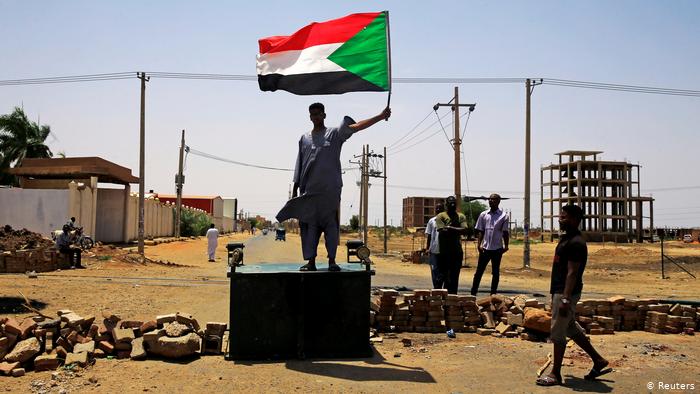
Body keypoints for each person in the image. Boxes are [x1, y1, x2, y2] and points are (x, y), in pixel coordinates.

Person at [277, 102, 391, 272]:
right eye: (312, 114)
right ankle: (311, 262)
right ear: (310, 117)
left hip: (330, 193)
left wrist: (380, 116)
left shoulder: (334, 134)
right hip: (309, 193)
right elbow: (299, 165)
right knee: (309, 227)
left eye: (318, 113)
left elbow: (357, 126)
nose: (315, 117)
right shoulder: (304, 138)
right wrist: (295, 190)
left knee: (331, 226)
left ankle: (332, 261)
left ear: (324, 115)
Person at [536, 204, 610, 387]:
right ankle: (598, 360)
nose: (560, 219)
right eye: (560, 216)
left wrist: (565, 298)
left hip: (565, 292)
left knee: (558, 332)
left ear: (575, 219)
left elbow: (572, 272)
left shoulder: (576, 242)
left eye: (564, 217)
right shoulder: (567, 238)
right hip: (561, 290)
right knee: (570, 328)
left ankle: (555, 374)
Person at [470, 193, 509, 296]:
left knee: (495, 273)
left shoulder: (504, 216)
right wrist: (479, 244)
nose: (490, 201)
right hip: (485, 248)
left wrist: (506, 246)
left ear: (498, 201)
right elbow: (481, 231)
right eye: (489, 199)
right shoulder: (483, 215)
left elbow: (505, 232)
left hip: (497, 249)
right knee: (479, 272)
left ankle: (493, 295)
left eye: (493, 199)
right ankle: (473, 294)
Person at [435, 196, 468, 294]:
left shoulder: (461, 216)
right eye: (450, 203)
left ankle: (452, 299)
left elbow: (465, 230)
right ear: (446, 205)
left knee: (454, 277)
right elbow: (442, 231)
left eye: (454, 203)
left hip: (456, 252)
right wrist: (456, 230)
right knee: (441, 277)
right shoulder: (441, 216)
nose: (452, 205)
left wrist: (449, 228)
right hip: (444, 252)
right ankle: (437, 297)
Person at [425, 202, 445, 289]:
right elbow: (429, 235)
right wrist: (427, 248)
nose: (438, 210)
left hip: (444, 251)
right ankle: (436, 288)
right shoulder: (431, 221)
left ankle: (440, 288)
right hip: (433, 250)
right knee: (434, 270)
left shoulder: (446, 220)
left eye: (440, 208)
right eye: (436, 208)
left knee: (442, 271)